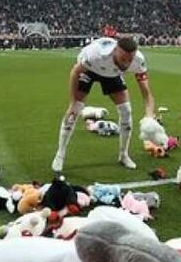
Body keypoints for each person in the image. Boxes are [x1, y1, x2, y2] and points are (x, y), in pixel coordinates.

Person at [52, 36, 156, 173]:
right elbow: (75, 72)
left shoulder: (138, 61)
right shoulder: (96, 55)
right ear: (115, 52)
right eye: (123, 59)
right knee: (75, 108)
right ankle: (60, 154)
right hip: (90, 70)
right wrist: (72, 102)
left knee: (126, 110)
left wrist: (149, 117)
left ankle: (124, 155)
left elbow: (147, 94)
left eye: (129, 60)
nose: (126, 64)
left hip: (112, 74)